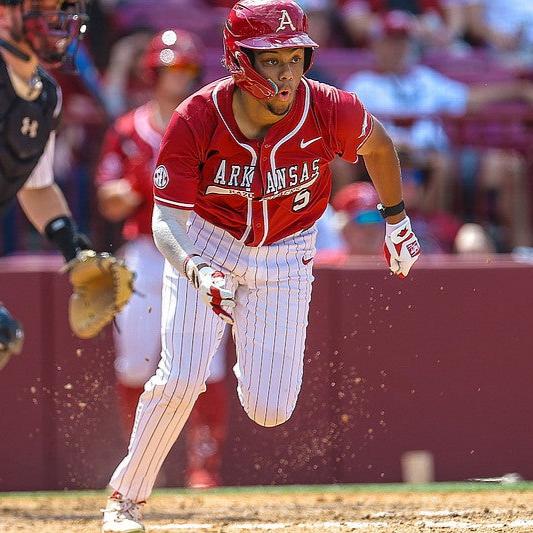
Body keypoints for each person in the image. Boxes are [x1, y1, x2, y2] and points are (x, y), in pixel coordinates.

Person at [101, 0, 421, 530]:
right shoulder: (197, 116)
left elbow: (379, 147)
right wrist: (196, 268)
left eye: (293, 57)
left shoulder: (328, 107)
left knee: (271, 407)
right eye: (270, 60)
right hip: (206, 241)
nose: (285, 72)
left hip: (287, 250)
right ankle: (126, 499)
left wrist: (396, 221)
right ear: (238, 60)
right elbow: (165, 221)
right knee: (180, 376)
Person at [95, 28, 228, 489]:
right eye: (173, 68)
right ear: (153, 72)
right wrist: (136, 184)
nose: (181, 77)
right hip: (146, 254)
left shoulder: (213, 126)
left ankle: (202, 469)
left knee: (204, 367)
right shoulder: (130, 129)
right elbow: (108, 202)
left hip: (199, 249)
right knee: (134, 364)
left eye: (188, 69)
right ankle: (142, 464)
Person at [344, 10, 533, 249]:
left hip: (433, 157)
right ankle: (429, 237)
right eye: (390, 42)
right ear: (376, 45)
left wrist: (517, 89)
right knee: (437, 165)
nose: (397, 49)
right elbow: (351, 129)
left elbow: (468, 98)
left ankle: (523, 250)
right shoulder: (362, 83)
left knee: (509, 166)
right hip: (382, 159)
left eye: (402, 42)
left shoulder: (426, 79)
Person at [0, 0, 91, 370]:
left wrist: (73, 248)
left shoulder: (46, 97)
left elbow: (36, 186)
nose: (57, 19)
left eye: (63, 8)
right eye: (45, 7)